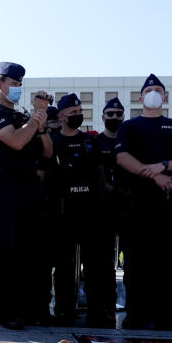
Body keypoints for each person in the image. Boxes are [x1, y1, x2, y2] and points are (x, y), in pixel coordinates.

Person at [115, 73, 172, 330]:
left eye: (158, 89)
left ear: (165, 96)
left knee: (168, 264)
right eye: (149, 89)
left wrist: (163, 166)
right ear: (140, 97)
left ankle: (165, 315)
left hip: (169, 207)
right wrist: (154, 175)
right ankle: (135, 314)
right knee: (137, 263)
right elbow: (122, 158)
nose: (153, 93)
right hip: (136, 206)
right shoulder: (129, 127)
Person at [0, 62, 52, 330]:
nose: (17, 89)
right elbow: (17, 141)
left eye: (20, 84)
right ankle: (8, 311)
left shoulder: (25, 117)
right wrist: (36, 119)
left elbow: (46, 152)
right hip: (5, 190)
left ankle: (32, 309)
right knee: (6, 253)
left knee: (30, 253)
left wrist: (41, 125)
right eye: (13, 83)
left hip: (29, 190)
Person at [48, 94, 111, 326]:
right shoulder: (53, 142)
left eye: (79, 111)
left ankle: (97, 309)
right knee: (64, 265)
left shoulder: (90, 141)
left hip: (90, 211)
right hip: (63, 212)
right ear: (62, 116)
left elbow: (100, 176)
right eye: (72, 113)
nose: (77, 115)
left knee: (94, 265)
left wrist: (100, 205)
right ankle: (64, 309)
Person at [95, 96, 126, 322]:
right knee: (103, 261)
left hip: (128, 205)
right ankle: (103, 305)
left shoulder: (129, 140)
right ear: (102, 117)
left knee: (131, 259)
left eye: (118, 114)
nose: (114, 118)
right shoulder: (96, 143)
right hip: (103, 207)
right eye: (110, 114)